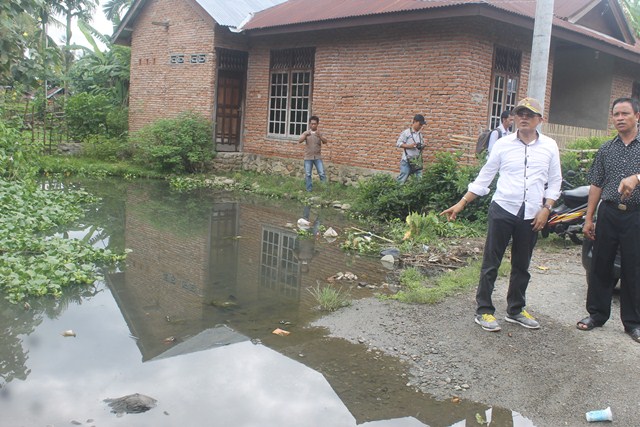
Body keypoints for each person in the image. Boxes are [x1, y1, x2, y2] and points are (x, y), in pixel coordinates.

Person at [440, 97, 562, 332]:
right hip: (503, 209)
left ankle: (515, 310)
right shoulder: (503, 145)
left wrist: (546, 209)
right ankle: (484, 310)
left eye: (529, 114)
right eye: (520, 114)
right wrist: (461, 203)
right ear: (514, 118)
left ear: (540, 119)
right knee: (491, 262)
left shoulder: (550, 146)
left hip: (532, 214)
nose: (524, 118)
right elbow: (485, 177)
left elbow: (555, 181)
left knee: (522, 265)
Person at [577, 97, 640, 343]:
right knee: (600, 265)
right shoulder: (606, 148)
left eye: (625, 113)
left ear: (637, 116)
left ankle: (633, 323)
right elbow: (596, 184)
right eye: (616, 114)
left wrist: (636, 176)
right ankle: (597, 314)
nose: (620, 118)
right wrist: (589, 218)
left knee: (634, 268)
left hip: (636, 215)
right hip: (609, 212)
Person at [298, 115, 328, 191]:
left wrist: (320, 136)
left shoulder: (319, 133)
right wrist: (305, 135)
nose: (313, 125)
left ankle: (325, 190)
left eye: (315, 124)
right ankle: (309, 190)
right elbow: (300, 140)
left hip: (318, 157)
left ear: (317, 124)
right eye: (311, 123)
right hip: (308, 157)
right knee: (308, 174)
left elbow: (325, 141)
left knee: (322, 173)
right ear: (309, 124)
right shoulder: (306, 133)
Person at [396, 114, 426, 183]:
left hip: (417, 161)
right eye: (420, 124)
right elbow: (398, 143)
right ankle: (396, 192)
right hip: (407, 161)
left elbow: (419, 149)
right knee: (402, 180)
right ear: (414, 121)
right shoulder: (406, 132)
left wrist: (423, 146)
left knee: (419, 181)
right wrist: (410, 146)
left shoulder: (420, 134)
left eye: (422, 125)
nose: (421, 126)